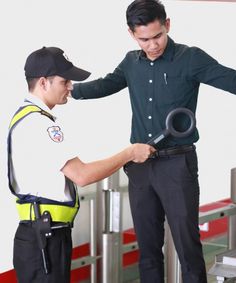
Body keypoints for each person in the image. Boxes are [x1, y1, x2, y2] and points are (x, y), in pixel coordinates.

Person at [70, 1, 236, 282]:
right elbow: (105, 84)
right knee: (147, 248)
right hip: (140, 167)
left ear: (167, 25)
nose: (152, 45)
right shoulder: (130, 63)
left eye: (157, 36)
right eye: (143, 39)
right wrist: (69, 90)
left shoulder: (190, 58)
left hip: (177, 164)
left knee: (188, 247)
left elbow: (230, 79)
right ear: (131, 33)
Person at [7, 46, 155, 283]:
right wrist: (129, 153)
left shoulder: (27, 117)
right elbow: (81, 175)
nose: (70, 87)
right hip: (44, 238)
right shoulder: (39, 124)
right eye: (64, 81)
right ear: (44, 82)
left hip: (43, 234)